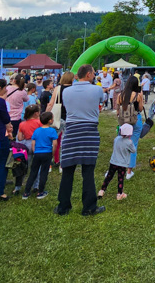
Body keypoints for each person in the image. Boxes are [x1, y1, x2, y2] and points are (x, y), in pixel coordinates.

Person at [55, 64, 105, 216]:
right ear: (89, 74)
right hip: (89, 132)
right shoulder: (97, 89)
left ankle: (63, 206)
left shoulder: (67, 91)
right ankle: (89, 207)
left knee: (68, 171)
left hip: (71, 131)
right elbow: (100, 102)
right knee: (88, 171)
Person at [23, 112, 58, 200]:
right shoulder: (52, 131)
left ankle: (26, 192)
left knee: (33, 172)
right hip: (47, 153)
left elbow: (33, 143)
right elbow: (55, 144)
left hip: (37, 153)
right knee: (44, 172)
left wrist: (35, 152)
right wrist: (52, 153)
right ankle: (40, 192)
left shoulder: (37, 130)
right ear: (50, 121)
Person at [98, 123, 136, 201]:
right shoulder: (129, 142)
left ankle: (101, 191)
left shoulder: (116, 139)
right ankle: (119, 194)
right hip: (122, 164)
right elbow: (133, 150)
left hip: (113, 162)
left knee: (109, 176)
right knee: (120, 178)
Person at [118, 71, 144, 180]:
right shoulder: (138, 95)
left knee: (122, 145)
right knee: (133, 145)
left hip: (124, 121)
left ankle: (120, 167)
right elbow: (141, 109)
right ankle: (129, 171)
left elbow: (118, 110)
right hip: (135, 120)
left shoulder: (121, 95)